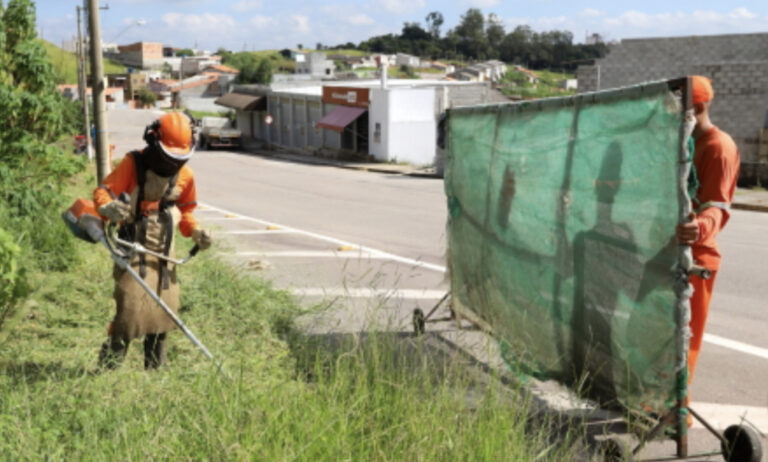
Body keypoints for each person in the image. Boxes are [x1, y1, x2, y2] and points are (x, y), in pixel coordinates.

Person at [94, 112, 212, 369]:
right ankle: (109, 368)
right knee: (129, 306)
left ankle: (155, 371)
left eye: (179, 157)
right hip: (131, 243)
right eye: (169, 156)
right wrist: (109, 208)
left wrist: (195, 232)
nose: (173, 162)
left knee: (164, 309)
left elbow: (187, 212)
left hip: (164, 249)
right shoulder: (133, 164)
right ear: (153, 141)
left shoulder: (185, 175)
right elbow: (103, 192)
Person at [676, 76, 740, 384]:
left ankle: (676, 414)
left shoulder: (718, 147)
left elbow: (717, 206)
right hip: (669, 253)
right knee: (655, 333)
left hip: (697, 258)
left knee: (683, 341)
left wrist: (698, 227)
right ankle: (647, 403)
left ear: (697, 107)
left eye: (678, 107)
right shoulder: (681, 142)